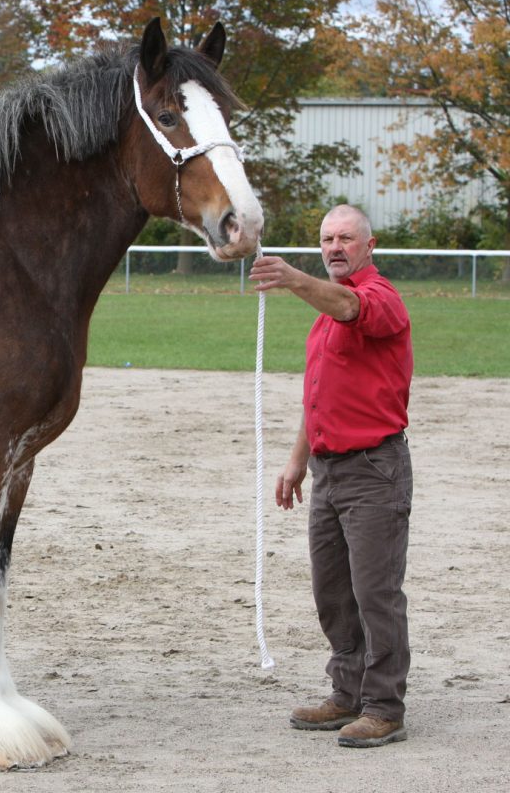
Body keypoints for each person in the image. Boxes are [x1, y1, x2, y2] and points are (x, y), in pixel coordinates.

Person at [250, 204, 413, 749]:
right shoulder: (324, 314)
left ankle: (385, 706)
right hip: (328, 472)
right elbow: (317, 395)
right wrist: (297, 459)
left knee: (376, 593)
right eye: (326, 239)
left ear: (370, 246)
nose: (335, 247)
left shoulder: (378, 298)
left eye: (345, 238)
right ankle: (347, 693)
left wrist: (294, 278)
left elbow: (350, 306)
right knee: (334, 593)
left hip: (374, 470)